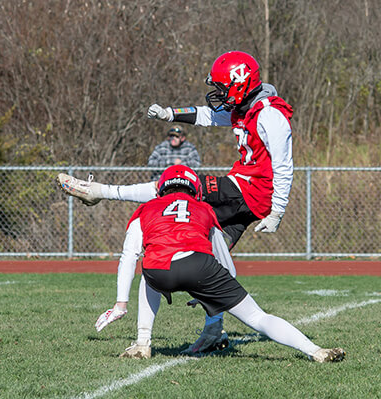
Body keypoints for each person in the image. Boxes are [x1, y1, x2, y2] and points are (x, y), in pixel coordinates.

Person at [58, 51, 294, 355]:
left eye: (223, 88)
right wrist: (171, 113)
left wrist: (278, 209)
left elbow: (285, 166)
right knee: (212, 263)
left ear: (239, 83)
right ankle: (214, 329)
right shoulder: (246, 108)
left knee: (180, 184)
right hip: (247, 195)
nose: (219, 95)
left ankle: (100, 191)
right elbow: (209, 116)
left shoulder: (270, 115)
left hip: (250, 191)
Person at [94, 164, 344, 362]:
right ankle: (314, 350)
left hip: (160, 271)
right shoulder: (204, 209)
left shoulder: (146, 209)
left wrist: (120, 304)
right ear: (195, 189)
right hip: (200, 268)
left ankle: (142, 343)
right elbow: (224, 259)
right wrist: (208, 290)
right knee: (257, 317)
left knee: (150, 268)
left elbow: (129, 256)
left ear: (161, 188)